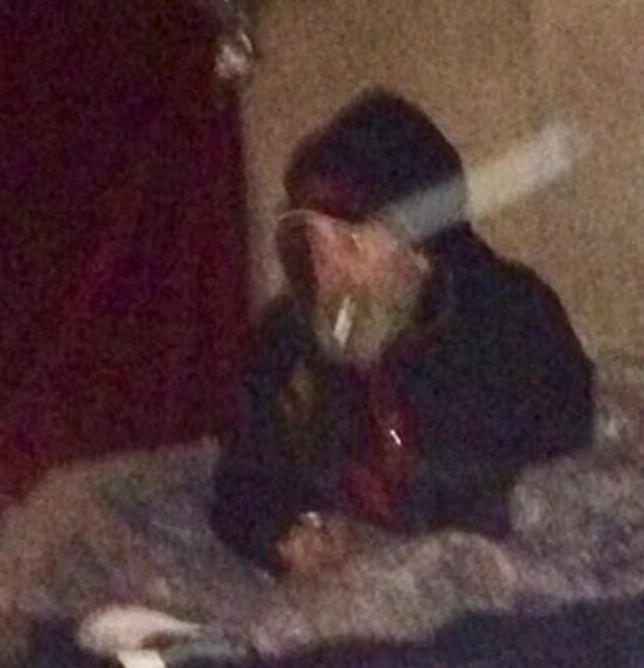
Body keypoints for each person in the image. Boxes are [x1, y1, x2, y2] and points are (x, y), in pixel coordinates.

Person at [208, 89, 596, 580]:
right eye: (314, 240)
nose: (328, 269)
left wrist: (375, 514)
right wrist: (286, 535)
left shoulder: (510, 318)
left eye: (349, 241)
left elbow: (540, 475)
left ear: (419, 248)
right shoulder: (291, 339)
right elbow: (243, 478)